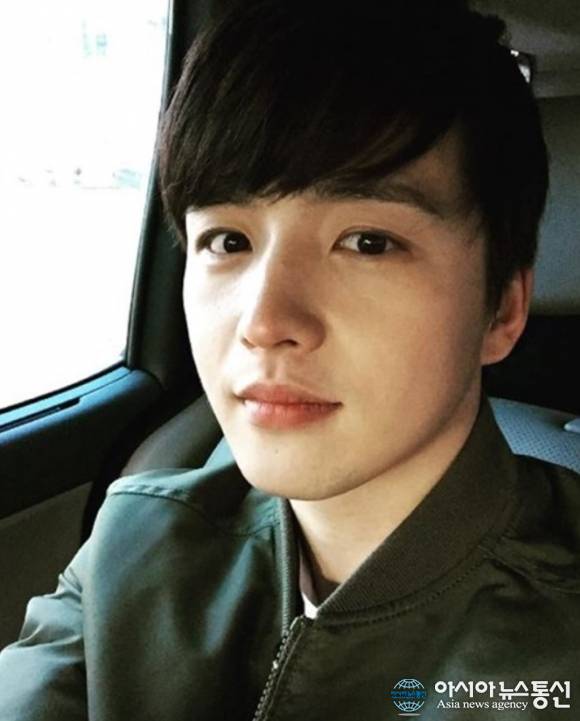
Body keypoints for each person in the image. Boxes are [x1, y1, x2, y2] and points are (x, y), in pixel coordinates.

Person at [1, 1, 579, 719]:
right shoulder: (134, 543)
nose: (265, 322)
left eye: (368, 242)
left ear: (503, 309)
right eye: (228, 241)